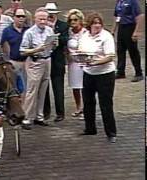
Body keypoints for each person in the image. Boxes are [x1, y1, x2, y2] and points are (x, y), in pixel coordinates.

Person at [78, 12, 117, 143]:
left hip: (105, 74)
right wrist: (80, 59)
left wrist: (95, 62)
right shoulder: (84, 36)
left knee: (105, 103)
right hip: (88, 73)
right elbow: (81, 52)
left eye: (99, 23)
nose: (97, 25)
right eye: (94, 23)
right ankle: (90, 128)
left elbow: (110, 56)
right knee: (88, 102)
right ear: (89, 25)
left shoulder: (106, 36)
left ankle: (111, 132)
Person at [19, 7, 58, 130]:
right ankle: (26, 117)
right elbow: (22, 51)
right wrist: (37, 49)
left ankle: (39, 116)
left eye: (45, 19)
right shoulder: (29, 32)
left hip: (47, 60)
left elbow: (53, 47)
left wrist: (54, 44)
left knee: (43, 89)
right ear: (35, 19)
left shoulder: (49, 30)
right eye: (40, 19)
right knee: (32, 90)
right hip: (35, 61)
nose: (42, 21)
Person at [43, 2, 69, 122]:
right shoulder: (42, 27)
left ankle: (60, 113)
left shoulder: (63, 25)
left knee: (58, 88)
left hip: (57, 61)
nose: (50, 16)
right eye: (49, 14)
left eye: (52, 14)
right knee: (45, 88)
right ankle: (46, 112)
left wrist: (55, 36)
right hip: (45, 60)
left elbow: (66, 39)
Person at [112, 0, 144, 82]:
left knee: (133, 51)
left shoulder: (132, 1)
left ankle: (138, 73)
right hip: (121, 28)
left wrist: (136, 31)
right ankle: (120, 71)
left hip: (130, 27)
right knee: (120, 50)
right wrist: (113, 30)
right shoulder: (119, 2)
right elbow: (117, 16)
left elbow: (140, 16)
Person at [66, 9, 87, 119]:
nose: (73, 22)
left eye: (75, 20)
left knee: (84, 86)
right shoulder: (69, 32)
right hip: (73, 62)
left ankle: (86, 108)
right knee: (75, 86)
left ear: (80, 20)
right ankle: (78, 107)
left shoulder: (85, 32)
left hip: (84, 62)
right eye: (71, 20)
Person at [0, 8, 29, 89]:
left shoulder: (28, 30)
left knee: (26, 87)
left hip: (27, 62)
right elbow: (3, 46)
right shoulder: (7, 30)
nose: (21, 18)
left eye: (23, 16)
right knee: (14, 87)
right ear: (14, 17)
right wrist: (7, 61)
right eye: (18, 16)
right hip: (14, 62)